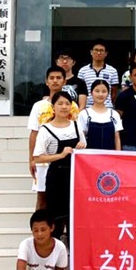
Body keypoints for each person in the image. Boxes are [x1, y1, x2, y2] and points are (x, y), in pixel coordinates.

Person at [33, 91, 86, 242]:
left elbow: (84, 148)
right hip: (56, 177)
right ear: (53, 107)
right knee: (55, 214)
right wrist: (60, 155)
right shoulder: (45, 129)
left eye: (67, 104)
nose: (64, 107)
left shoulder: (76, 126)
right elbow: (37, 157)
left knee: (74, 215)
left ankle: (73, 249)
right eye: (60, 103)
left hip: (75, 177)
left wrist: (81, 148)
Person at [28, 66, 79, 210]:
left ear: (64, 81)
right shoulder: (38, 106)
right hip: (44, 160)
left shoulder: (72, 106)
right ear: (46, 81)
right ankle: (40, 224)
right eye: (52, 78)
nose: (55, 81)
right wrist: (31, 159)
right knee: (42, 198)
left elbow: (77, 131)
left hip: (65, 162)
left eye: (58, 78)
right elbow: (33, 133)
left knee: (65, 198)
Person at [78, 79, 123, 150]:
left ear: (108, 94)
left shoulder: (114, 114)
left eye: (104, 91)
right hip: (90, 154)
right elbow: (81, 137)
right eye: (97, 91)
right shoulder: (84, 114)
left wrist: (118, 154)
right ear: (91, 92)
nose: (100, 94)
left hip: (110, 154)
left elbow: (117, 138)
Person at [77, 38, 119, 108]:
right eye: (96, 50)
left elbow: (114, 93)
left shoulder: (113, 71)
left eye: (101, 50)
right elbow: (80, 92)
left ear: (106, 53)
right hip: (87, 108)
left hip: (107, 107)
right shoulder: (82, 71)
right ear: (91, 52)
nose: (99, 53)